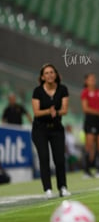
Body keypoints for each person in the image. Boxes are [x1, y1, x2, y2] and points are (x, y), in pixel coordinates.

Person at [31, 63, 71, 199]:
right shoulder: (37, 91)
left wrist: (57, 112)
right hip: (40, 129)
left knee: (59, 159)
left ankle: (62, 187)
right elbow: (36, 112)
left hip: (56, 129)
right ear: (42, 77)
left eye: (52, 72)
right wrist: (49, 111)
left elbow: (65, 110)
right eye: (46, 73)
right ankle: (47, 189)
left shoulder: (63, 89)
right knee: (44, 158)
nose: (49, 75)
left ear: (56, 75)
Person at [81, 73, 99, 178]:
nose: (93, 81)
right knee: (89, 146)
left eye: (94, 79)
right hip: (90, 120)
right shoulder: (85, 93)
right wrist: (98, 112)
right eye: (90, 79)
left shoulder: (98, 92)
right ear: (86, 81)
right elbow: (85, 108)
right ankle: (87, 171)